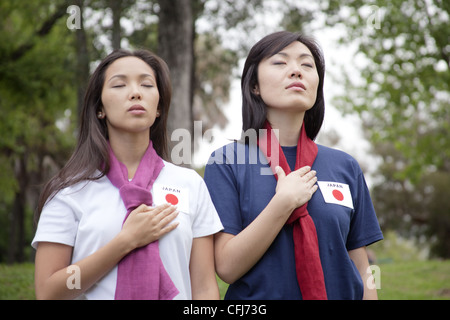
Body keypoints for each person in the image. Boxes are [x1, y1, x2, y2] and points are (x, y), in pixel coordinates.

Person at [204, 31, 383, 300]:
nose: (296, 71)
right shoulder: (228, 162)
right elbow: (227, 267)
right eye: (280, 62)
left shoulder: (345, 166)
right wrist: (282, 203)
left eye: (307, 65)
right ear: (254, 85)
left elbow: (360, 263)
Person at [32, 49, 223, 300]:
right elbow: (48, 292)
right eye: (119, 84)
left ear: (158, 108)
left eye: (146, 84)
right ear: (100, 108)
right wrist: (125, 241)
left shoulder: (190, 184)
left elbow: (204, 289)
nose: (136, 92)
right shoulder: (68, 190)